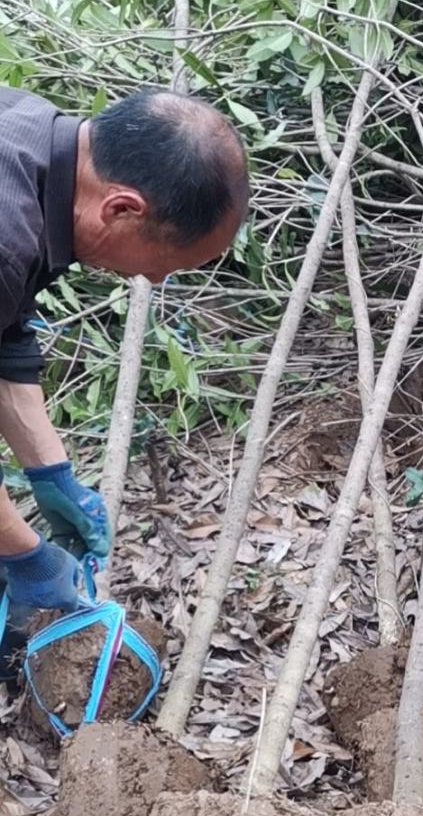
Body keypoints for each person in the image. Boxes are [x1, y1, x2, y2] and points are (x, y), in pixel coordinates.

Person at [0, 85, 248, 619]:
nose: (154, 279)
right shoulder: (6, 231)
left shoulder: (36, 138)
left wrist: (51, 473)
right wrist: (25, 554)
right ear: (121, 208)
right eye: (167, 264)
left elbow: (6, 334)